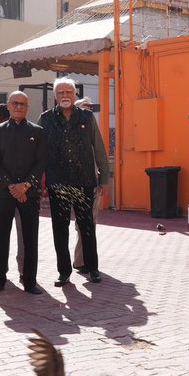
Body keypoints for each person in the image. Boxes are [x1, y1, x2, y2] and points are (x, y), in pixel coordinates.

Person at [39, 79, 109, 286]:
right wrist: (40, 181)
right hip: (58, 182)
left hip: (84, 180)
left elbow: (99, 149)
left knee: (87, 226)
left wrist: (104, 178)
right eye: (60, 92)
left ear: (75, 94)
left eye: (69, 91)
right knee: (59, 228)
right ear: (55, 95)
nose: (65, 95)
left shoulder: (87, 117)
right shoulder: (45, 119)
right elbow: (39, 152)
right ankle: (64, 271)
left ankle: (93, 269)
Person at [0, 91, 46, 295]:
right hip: (4, 194)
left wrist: (26, 186)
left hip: (29, 194)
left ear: (27, 107)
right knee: (1, 238)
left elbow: (41, 162)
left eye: (23, 104)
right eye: (15, 103)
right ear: (9, 106)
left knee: (30, 238)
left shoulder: (38, 131)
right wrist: (12, 187)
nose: (19, 107)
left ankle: (29, 281)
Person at [67, 94, 108, 276]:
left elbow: (100, 153)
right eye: (83, 107)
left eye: (89, 107)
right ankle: (80, 261)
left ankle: (82, 261)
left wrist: (103, 180)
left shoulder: (91, 127)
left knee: (88, 222)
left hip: (90, 182)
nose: (87, 110)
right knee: (81, 224)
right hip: (68, 183)